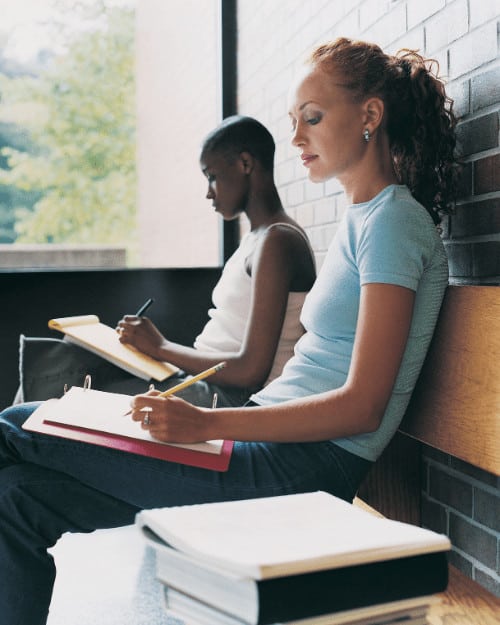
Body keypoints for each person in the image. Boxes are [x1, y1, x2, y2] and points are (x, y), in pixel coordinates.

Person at [0, 37, 460, 625]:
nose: (295, 139)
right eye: (294, 122)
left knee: (17, 425)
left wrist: (207, 422)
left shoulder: (394, 222)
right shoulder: (365, 219)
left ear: (370, 116)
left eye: (312, 119)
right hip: (267, 451)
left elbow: (363, 408)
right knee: (16, 497)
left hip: (300, 468)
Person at [16, 114, 316, 408]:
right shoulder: (257, 239)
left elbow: (250, 372)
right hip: (202, 382)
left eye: (212, 176)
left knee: (71, 396)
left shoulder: (278, 240)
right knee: (70, 357)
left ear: (245, 164)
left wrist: (161, 348)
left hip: (229, 399)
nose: (208, 192)